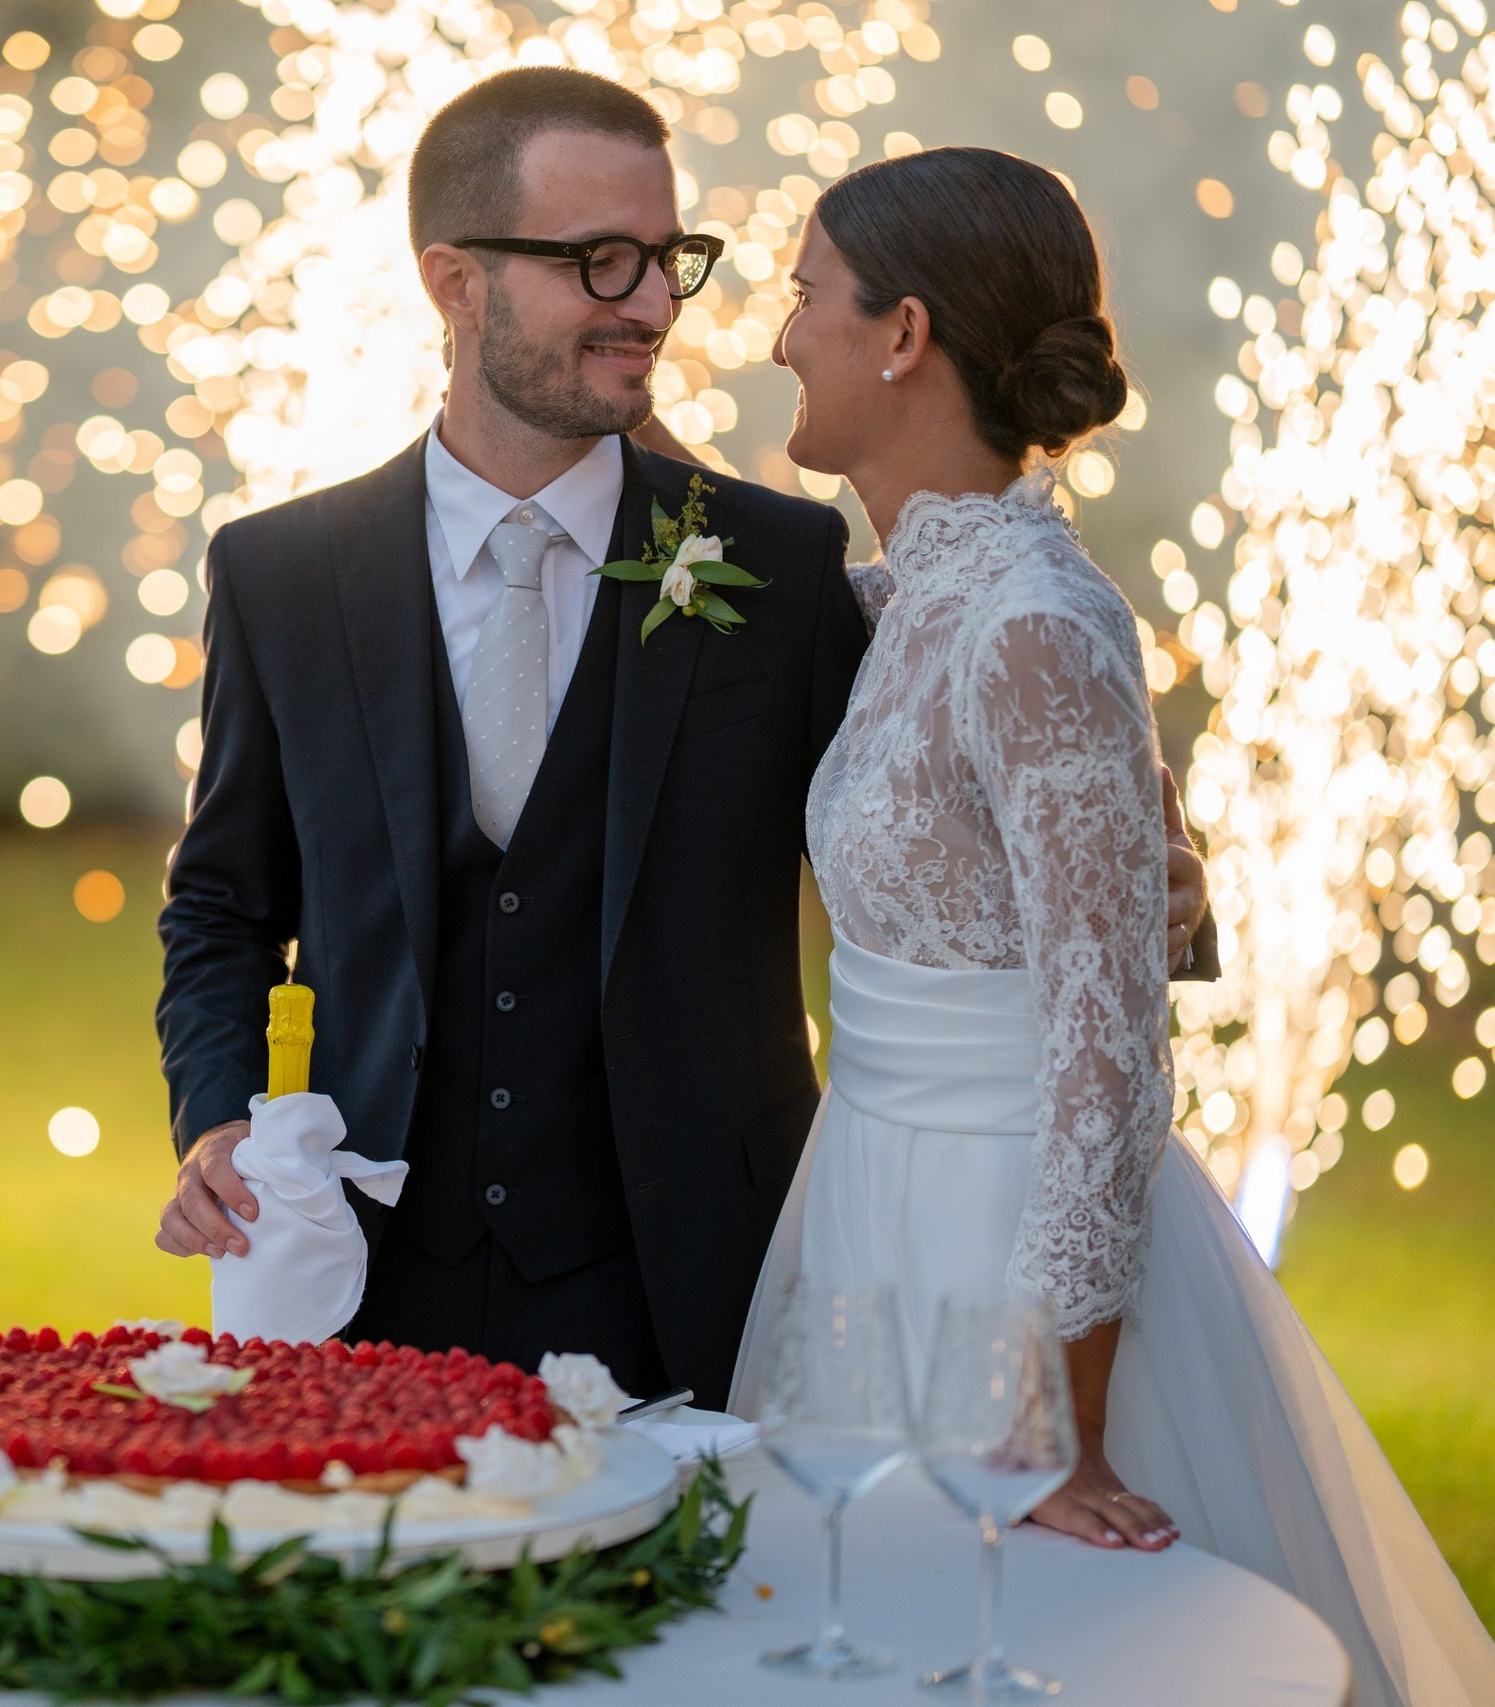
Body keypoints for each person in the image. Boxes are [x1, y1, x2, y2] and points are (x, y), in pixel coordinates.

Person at [150, 67, 1208, 1412]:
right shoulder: (281, 575)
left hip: (705, 1297)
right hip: (361, 1287)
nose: (651, 306)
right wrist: (225, 1118)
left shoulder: (781, 566)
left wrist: (1169, 893)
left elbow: (972, 782)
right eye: (600, 264)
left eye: (667, 261)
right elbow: (224, 905)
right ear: (454, 284)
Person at [732, 143, 1495, 1706]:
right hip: (867, 1205)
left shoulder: (1037, 624)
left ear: (904, 335)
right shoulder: (917, 594)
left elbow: (1107, 1051)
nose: (775, 333)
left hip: (1004, 1255)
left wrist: (1056, 1426)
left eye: (804, 295)